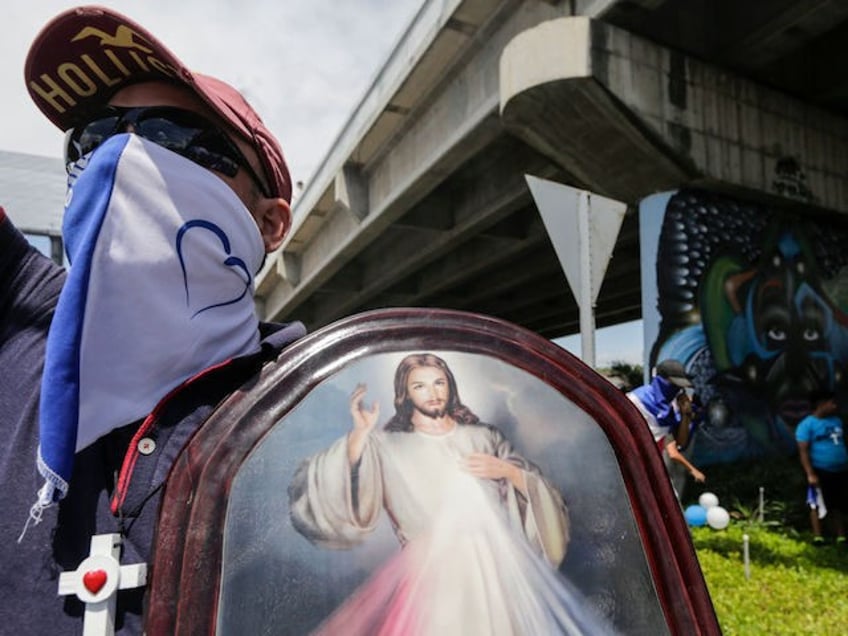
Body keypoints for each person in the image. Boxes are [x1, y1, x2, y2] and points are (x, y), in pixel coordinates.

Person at [1, 6, 305, 633]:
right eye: (94, 137)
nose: (121, 155)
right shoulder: (19, 321)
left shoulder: (318, 403)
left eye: (173, 136)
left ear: (269, 223)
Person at [288, 353, 611, 635]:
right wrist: (359, 435)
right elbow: (333, 492)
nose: (432, 393)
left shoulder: (484, 437)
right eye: (420, 386)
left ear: (450, 386)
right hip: (429, 588)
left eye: (439, 383)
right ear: (405, 392)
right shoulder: (387, 445)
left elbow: (543, 501)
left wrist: (510, 473)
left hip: (499, 585)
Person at [626, 359, 707, 491]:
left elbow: (679, 443)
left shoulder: (673, 407)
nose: (677, 390)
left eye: (680, 387)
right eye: (673, 384)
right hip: (632, 464)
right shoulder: (636, 401)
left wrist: (685, 415)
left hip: (653, 466)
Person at [795, 390, 848, 545]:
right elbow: (803, 451)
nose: (834, 406)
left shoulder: (837, 421)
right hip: (821, 470)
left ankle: (841, 535)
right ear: (821, 404)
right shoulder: (807, 425)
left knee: (838, 503)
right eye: (831, 402)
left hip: (841, 470)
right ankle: (818, 536)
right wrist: (810, 473)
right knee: (817, 502)